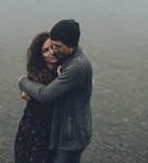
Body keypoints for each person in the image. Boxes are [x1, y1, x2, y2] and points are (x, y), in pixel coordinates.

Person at [19, 19, 93, 163]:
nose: (54, 50)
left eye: (57, 46)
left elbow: (45, 95)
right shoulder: (71, 56)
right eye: (51, 46)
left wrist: (22, 81)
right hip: (65, 132)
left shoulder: (76, 66)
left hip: (72, 136)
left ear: (70, 44)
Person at [14, 32, 59, 163]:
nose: (52, 52)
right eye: (46, 50)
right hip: (33, 130)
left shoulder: (64, 71)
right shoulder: (35, 77)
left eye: (53, 47)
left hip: (51, 131)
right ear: (40, 55)